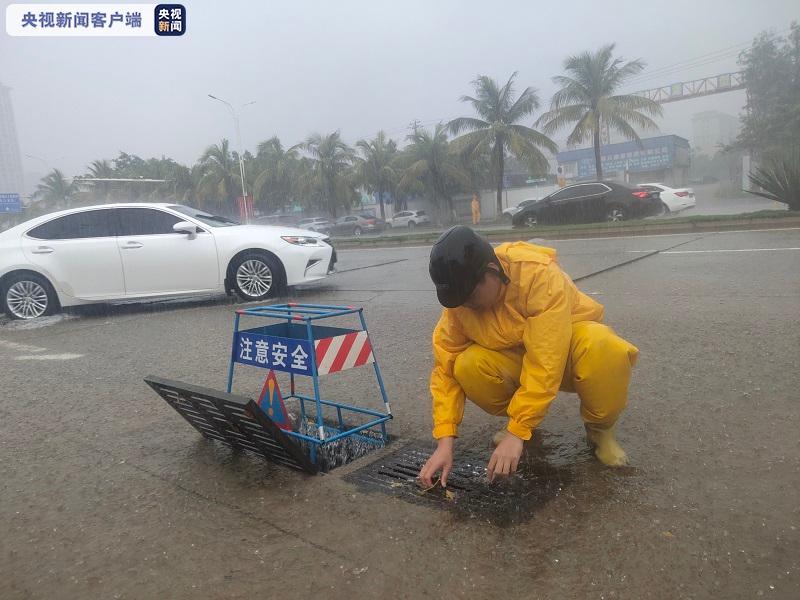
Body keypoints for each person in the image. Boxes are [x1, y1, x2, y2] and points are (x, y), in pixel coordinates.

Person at [418, 226, 639, 487]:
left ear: (492, 270)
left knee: (603, 346)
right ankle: (521, 424)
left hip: (566, 352)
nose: (466, 304)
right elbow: (445, 368)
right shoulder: (460, 307)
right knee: (466, 365)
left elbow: (546, 359)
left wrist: (516, 432)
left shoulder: (537, 275)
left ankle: (599, 431)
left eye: (470, 295)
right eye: (458, 300)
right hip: (520, 359)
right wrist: (445, 440)